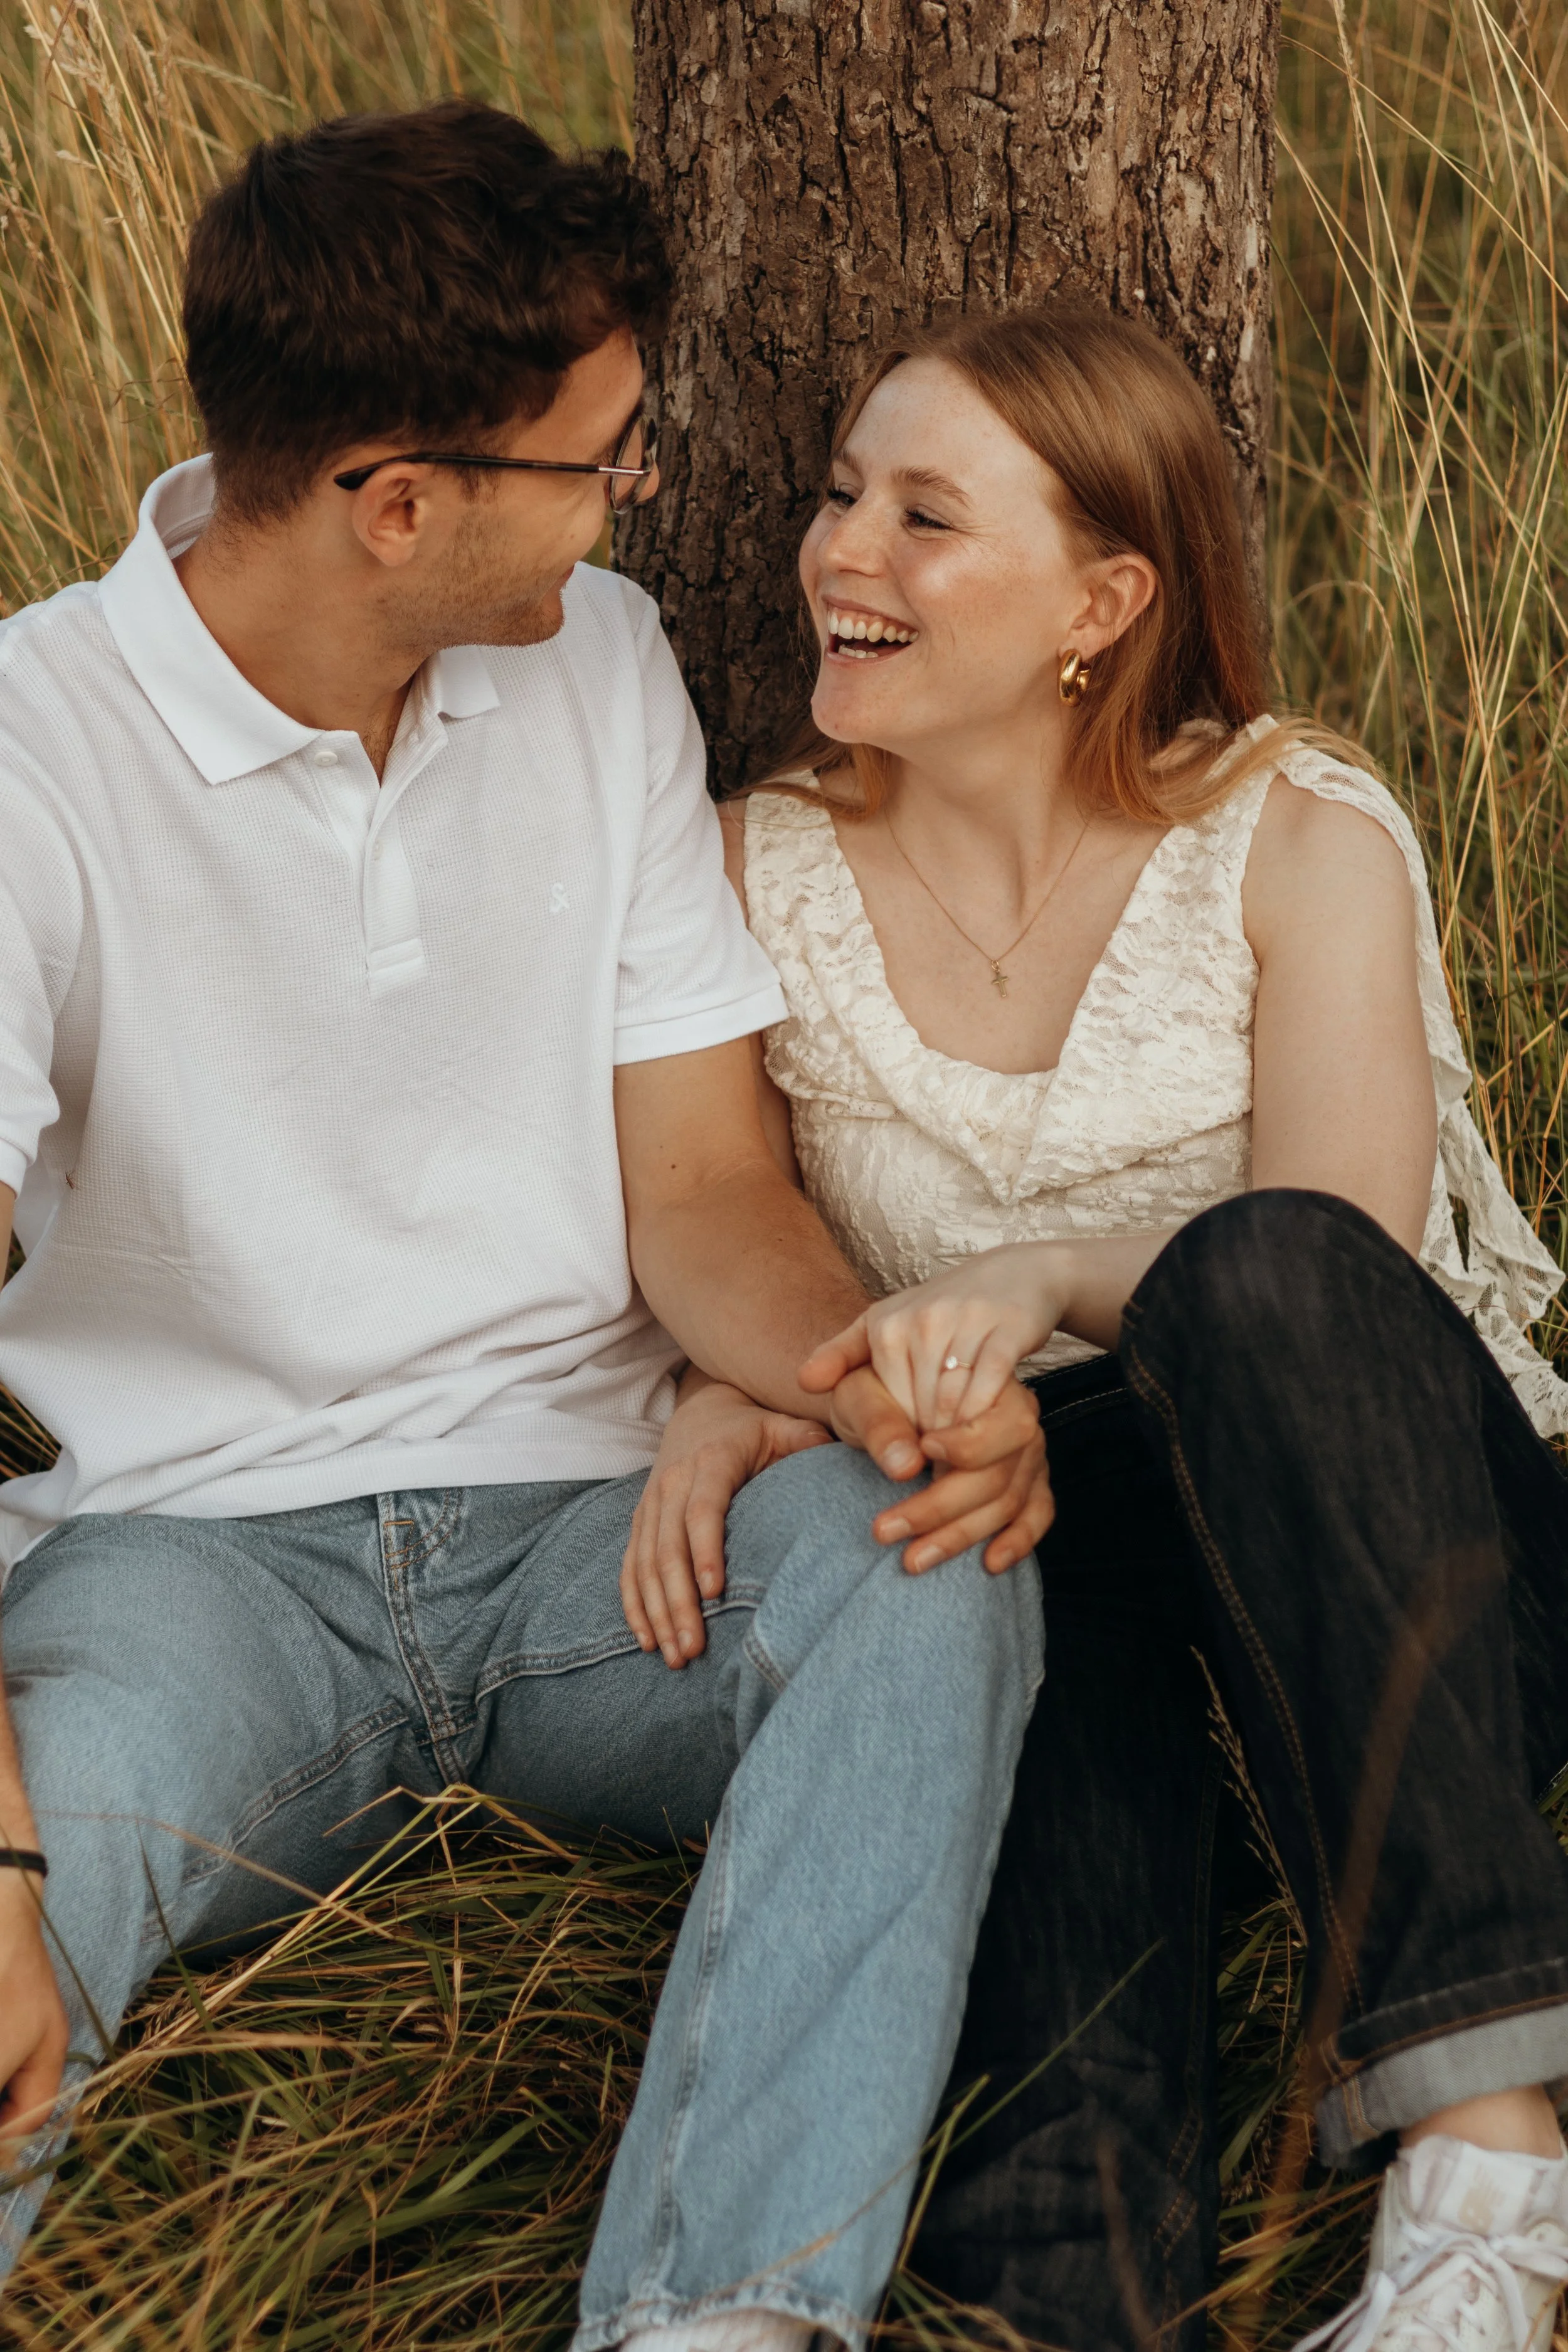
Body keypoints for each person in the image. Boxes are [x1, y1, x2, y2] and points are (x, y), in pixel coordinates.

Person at [0, 103, 1060, 2350]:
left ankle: (717, 2316)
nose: (638, 496)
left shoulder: (597, 665)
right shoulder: (29, 753)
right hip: (195, 1564)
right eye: (600, 458)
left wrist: (865, 1381)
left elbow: (698, 1191)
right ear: (401, 504)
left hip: (599, 1545)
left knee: (929, 1572)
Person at [621, 305, 1568, 2352]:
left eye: (923, 514)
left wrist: (1045, 1277)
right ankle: (1073, 2278)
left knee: (1248, 1277)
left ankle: (1486, 2168)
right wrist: (741, 1387)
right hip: (1052, 1548)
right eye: (837, 490)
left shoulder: (1294, 828)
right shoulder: (747, 871)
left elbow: (1337, 1259)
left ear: (1103, 600)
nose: (836, 548)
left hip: (1409, 1576)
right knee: (971, 1552)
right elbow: (720, 1208)